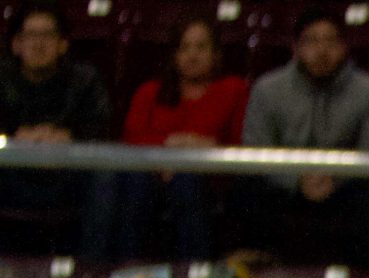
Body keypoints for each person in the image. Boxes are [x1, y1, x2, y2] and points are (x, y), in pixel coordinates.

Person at [241, 7, 369, 264]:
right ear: (296, 48)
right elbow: (256, 149)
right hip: (285, 183)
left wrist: (334, 178)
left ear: (344, 48)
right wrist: (297, 180)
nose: (322, 51)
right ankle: (258, 277)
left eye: (331, 42)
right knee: (248, 188)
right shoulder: (267, 89)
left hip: (343, 184)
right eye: (312, 41)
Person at [116, 18, 248, 263]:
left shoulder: (234, 90)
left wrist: (205, 151)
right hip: (152, 176)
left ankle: (195, 276)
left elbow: (241, 142)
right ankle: (129, 275)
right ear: (174, 55)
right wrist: (168, 149)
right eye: (184, 48)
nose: (192, 55)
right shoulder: (149, 92)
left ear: (216, 54)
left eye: (201, 48)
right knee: (136, 181)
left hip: (210, 179)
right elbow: (132, 138)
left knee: (186, 180)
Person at [0, 2, 114, 258]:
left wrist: (68, 139)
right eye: (31, 36)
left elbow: (101, 130)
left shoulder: (85, 79)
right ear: (16, 44)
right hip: (13, 176)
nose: (38, 44)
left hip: (67, 177)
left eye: (47, 36)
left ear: (63, 44)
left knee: (106, 175)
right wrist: (13, 139)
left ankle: (90, 273)